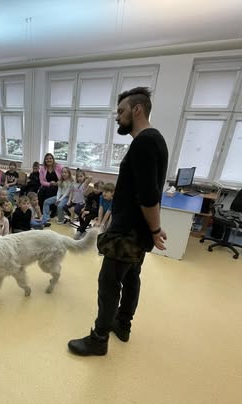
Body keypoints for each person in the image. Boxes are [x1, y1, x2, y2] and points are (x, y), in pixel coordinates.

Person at [68, 87, 168, 356]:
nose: (117, 117)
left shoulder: (144, 142)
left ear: (137, 109)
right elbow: (150, 191)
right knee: (132, 277)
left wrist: (156, 229)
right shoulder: (155, 139)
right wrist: (152, 228)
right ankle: (122, 325)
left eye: (121, 111)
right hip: (138, 230)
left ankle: (99, 339)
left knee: (109, 283)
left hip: (128, 232)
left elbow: (149, 195)